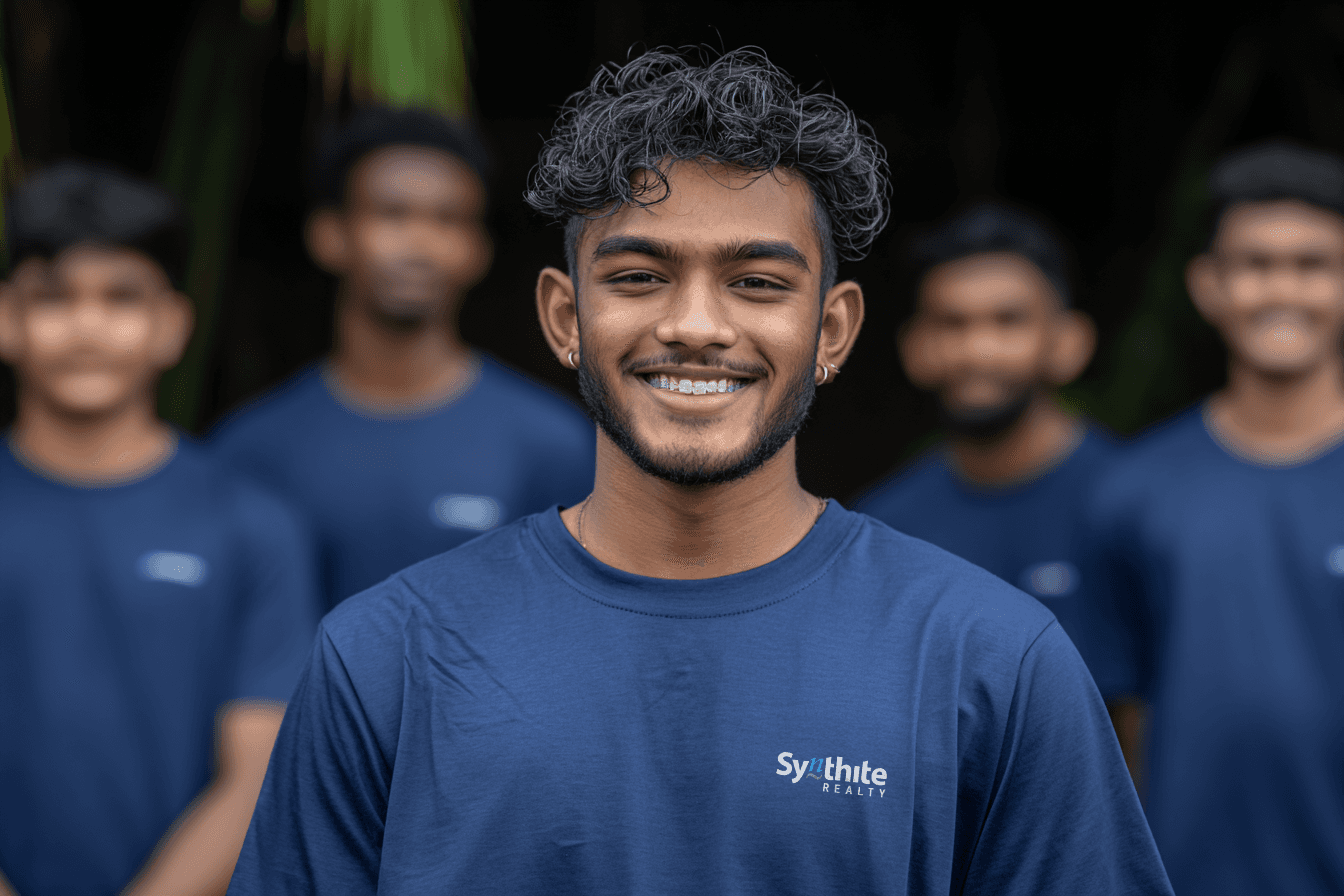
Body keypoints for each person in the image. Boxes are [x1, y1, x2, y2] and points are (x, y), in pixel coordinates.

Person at [228, 48, 1171, 894]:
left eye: (757, 282)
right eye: (638, 276)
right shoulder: (384, 658)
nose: (695, 325)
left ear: (831, 331)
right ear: (565, 319)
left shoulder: (990, 657)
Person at [0, 163, 319, 895]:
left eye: (120, 297)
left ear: (172, 324)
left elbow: (256, 776)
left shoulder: (253, 524)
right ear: (7, 320)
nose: (86, 325)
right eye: (53, 297)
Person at [1079, 140, 1344, 895]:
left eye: (1312, 265)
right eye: (1256, 264)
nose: (1281, 289)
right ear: (1208, 285)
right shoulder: (1133, 489)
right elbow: (1118, 723)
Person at [210, 105, 595, 610]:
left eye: (446, 218)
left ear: (477, 249)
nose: (420, 243)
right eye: (392, 214)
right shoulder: (252, 449)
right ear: (329, 235)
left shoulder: (550, 443)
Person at [856, 202, 1113, 650]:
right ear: (916, 348)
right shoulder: (884, 530)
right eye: (952, 323)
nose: (978, 350)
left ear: (1069, 342)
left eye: (1008, 320)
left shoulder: (1136, 506)